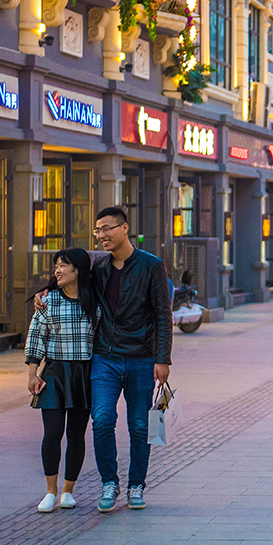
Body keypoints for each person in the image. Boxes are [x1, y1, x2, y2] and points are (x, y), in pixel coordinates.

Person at [35, 207, 173, 512]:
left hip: (141, 358)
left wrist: (163, 359)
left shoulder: (152, 266)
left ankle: (136, 485)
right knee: (102, 421)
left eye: (107, 228)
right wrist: (45, 290)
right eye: (98, 230)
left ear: (124, 228)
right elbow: (71, 282)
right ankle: (109, 483)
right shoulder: (98, 268)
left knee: (139, 425)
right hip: (104, 358)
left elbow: (164, 315)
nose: (101, 235)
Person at [25, 248, 100, 513]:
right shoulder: (48, 301)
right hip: (54, 374)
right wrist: (32, 373)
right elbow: (36, 337)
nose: (57, 270)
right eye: (56, 266)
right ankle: (50, 491)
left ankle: (68, 491)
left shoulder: (94, 302)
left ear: (78, 270)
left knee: (76, 435)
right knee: (53, 433)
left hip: (84, 374)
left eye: (63, 266)